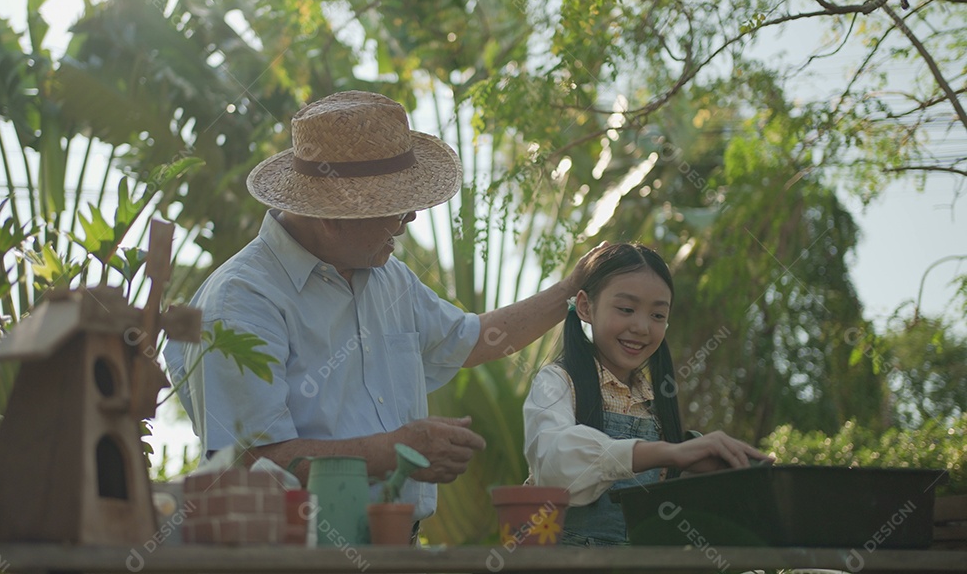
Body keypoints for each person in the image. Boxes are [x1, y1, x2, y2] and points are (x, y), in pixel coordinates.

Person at [165, 90, 605, 525]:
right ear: (331, 216)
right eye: (397, 211)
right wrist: (396, 451)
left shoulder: (387, 276)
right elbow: (250, 463)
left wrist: (575, 286)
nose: (408, 222)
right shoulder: (242, 299)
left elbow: (472, 340)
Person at [522, 243, 773, 547]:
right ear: (586, 307)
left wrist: (703, 468)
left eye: (657, 315)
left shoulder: (655, 401)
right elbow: (554, 464)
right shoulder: (558, 382)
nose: (642, 327)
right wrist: (668, 452)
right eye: (626, 309)